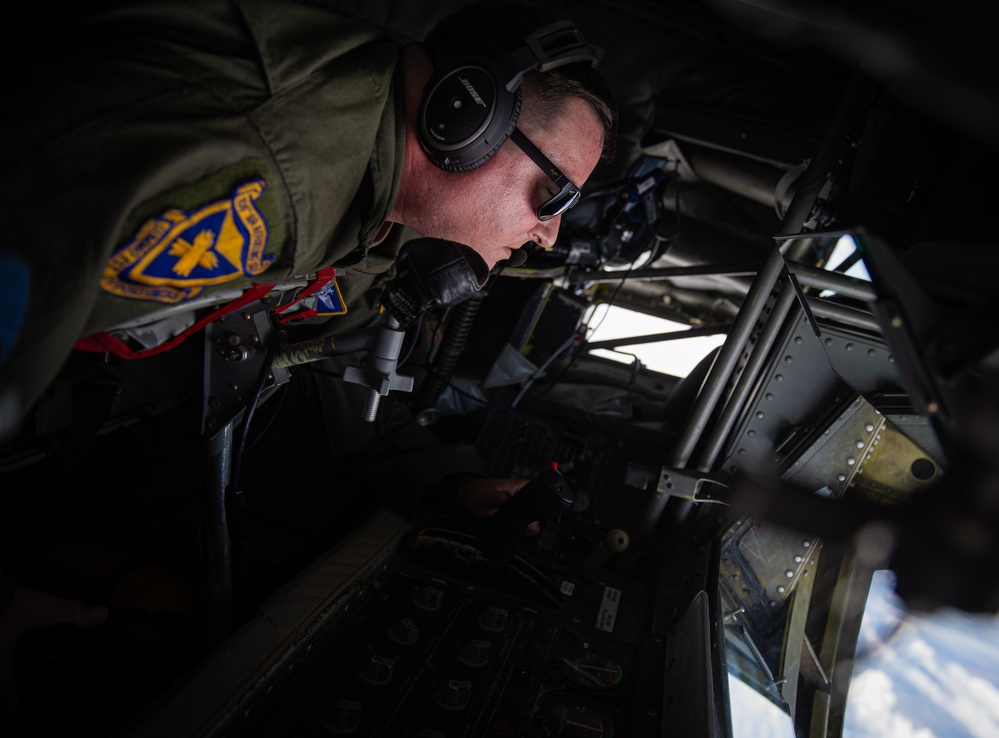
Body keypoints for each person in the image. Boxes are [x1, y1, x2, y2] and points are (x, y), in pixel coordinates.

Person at [0, 0, 617, 728]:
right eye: (553, 196)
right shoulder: (261, 164)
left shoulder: (371, 212)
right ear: (467, 116)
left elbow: (339, 360)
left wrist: (449, 483)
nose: (548, 234)